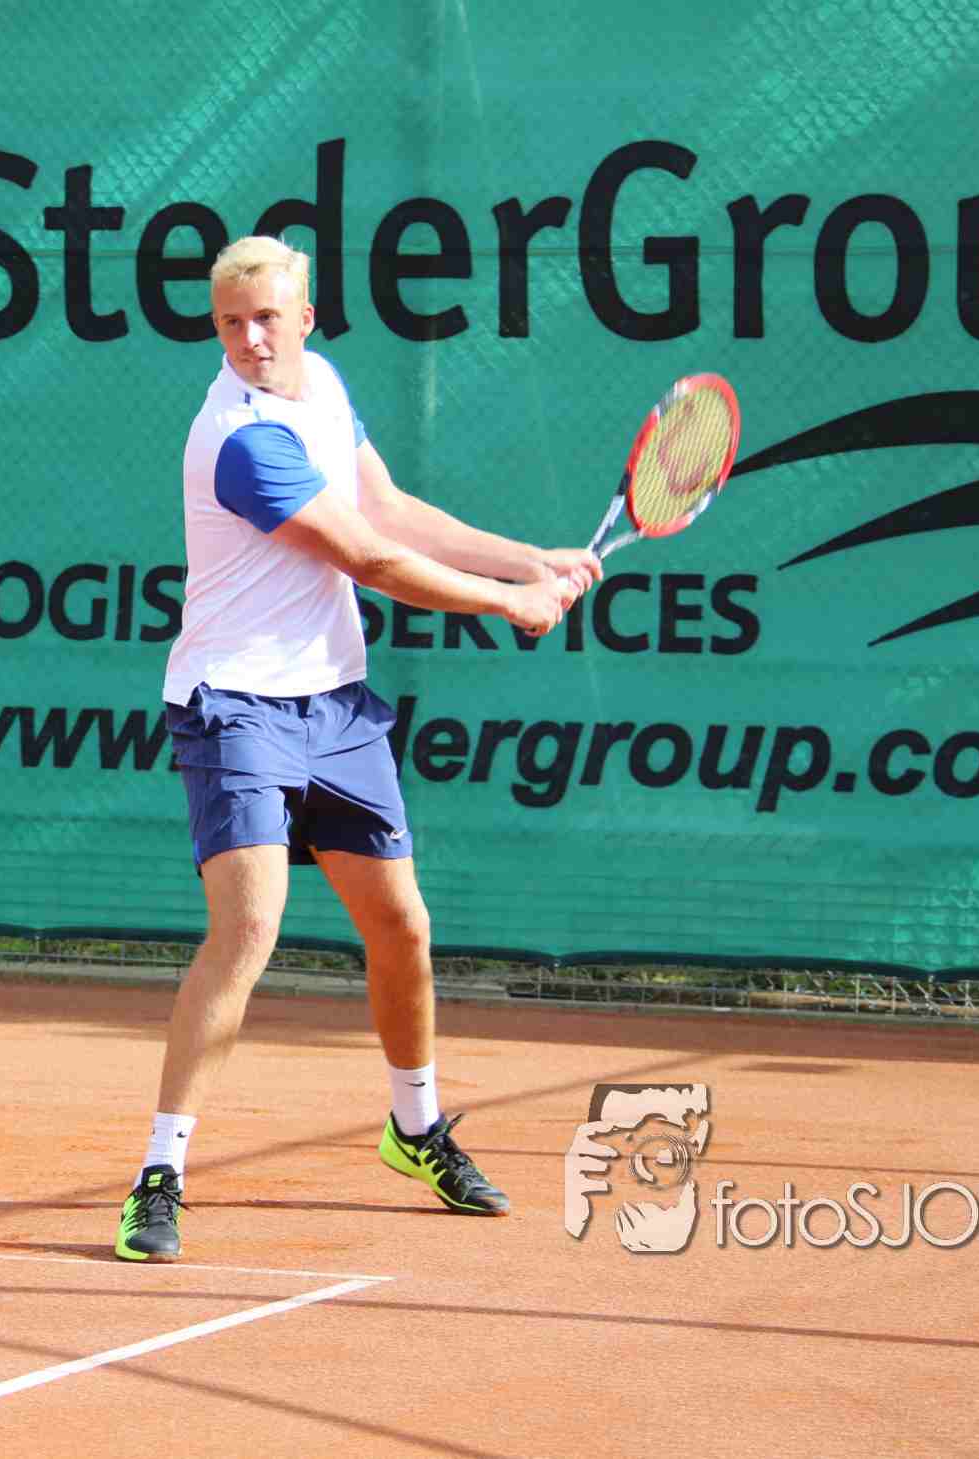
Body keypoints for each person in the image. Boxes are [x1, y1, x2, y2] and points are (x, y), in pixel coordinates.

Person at [115, 235, 601, 1262]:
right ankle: (159, 1173)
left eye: (267, 318)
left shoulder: (325, 388)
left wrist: (532, 559)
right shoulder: (239, 439)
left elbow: (389, 508)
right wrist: (509, 601)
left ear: (305, 317)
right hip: (236, 706)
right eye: (230, 323)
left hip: (334, 706)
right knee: (248, 929)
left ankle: (415, 1127)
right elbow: (371, 556)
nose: (250, 339)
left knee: (402, 926)